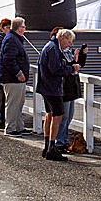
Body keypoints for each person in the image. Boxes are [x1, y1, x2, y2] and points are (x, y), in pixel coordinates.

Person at [36, 28, 81, 161]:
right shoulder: (54, 49)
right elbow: (56, 69)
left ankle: (47, 146)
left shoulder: (50, 47)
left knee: (49, 114)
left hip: (46, 87)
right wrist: (72, 69)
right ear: (62, 38)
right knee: (57, 117)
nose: (69, 44)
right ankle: (51, 147)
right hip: (53, 88)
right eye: (69, 41)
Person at [0, 17, 31, 136]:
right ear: (19, 28)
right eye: (23, 26)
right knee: (13, 104)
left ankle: (18, 126)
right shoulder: (12, 39)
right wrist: (18, 72)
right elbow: (9, 59)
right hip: (12, 79)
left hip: (15, 78)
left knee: (18, 103)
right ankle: (10, 128)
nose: (24, 29)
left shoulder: (14, 38)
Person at [56, 33, 88, 151]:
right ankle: (59, 141)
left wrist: (82, 55)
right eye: (69, 41)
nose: (70, 44)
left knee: (69, 116)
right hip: (65, 87)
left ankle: (63, 139)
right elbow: (64, 68)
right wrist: (72, 65)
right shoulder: (58, 52)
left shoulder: (69, 52)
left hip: (71, 86)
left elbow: (79, 65)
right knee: (63, 116)